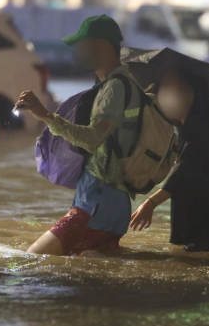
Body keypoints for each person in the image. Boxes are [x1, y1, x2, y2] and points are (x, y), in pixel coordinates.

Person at [16, 15, 142, 256]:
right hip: (107, 203)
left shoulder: (115, 88)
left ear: (102, 47)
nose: (78, 51)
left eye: (83, 45)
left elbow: (93, 139)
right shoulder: (122, 84)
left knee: (32, 260)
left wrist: (45, 115)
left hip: (97, 206)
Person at [129, 70, 209, 252]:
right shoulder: (188, 129)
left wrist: (150, 204)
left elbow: (182, 173)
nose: (167, 96)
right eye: (164, 89)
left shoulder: (201, 131)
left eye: (174, 89)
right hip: (207, 228)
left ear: (192, 93)